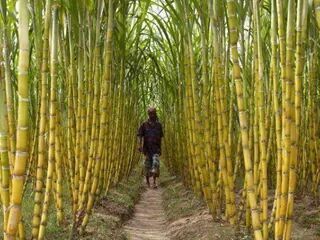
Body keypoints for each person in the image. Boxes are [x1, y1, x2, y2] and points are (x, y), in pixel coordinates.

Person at [137, 107, 164, 188]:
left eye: (153, 113)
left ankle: (154, 182)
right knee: (147, 166)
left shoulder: (159, 125)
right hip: (147, 149)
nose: (152, 115)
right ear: (148, 114)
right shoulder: (144, 124)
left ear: (155, 114)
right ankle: (148, 182)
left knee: (155, 165)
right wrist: (139, 145)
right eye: (150, 113)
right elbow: (140, 135)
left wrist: (160, 148)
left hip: (156, 148)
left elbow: (160, 137)